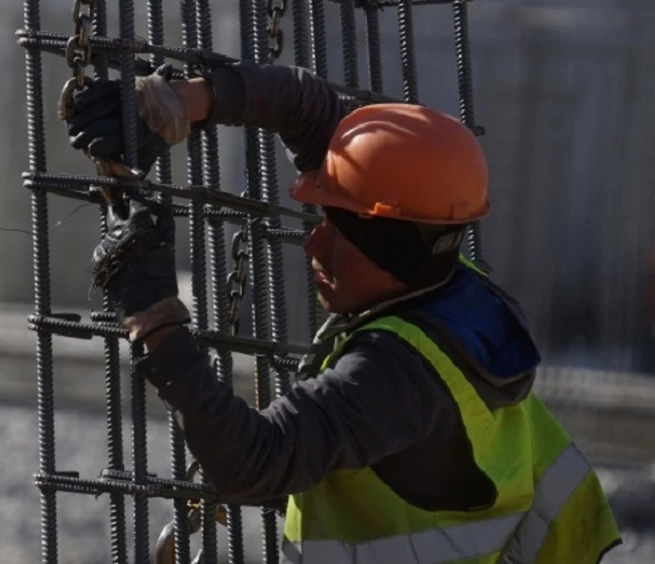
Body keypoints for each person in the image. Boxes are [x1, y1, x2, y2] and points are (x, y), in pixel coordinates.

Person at [66, 63, 621, 563]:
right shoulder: (447, 283)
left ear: (390, 249)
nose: (313, 244)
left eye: (339, 230)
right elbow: (305, 105)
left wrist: (156, 317)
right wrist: (182, 101)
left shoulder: (396, 375)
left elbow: (253, 463)